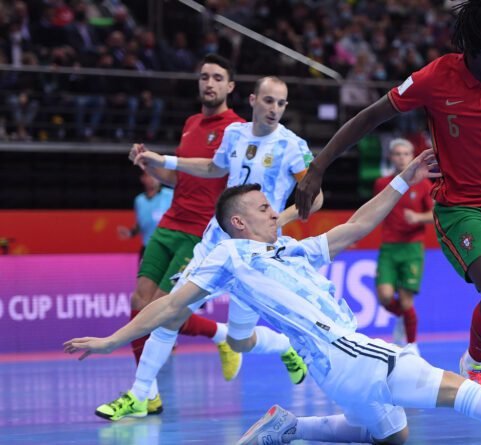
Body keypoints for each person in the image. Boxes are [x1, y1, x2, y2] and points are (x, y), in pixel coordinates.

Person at [64, 150, 481, 445]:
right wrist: (114, 339)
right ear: (238, 222)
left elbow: (354, 227)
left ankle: (292, 428)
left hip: (334, 371)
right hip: (352, 353)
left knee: (392, 437)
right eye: (262, 208)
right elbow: (169, 306)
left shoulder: (289, 250)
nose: (272, 211)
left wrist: (403, 179)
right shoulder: (227, 257)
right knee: (460, 394)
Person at [295, 0, 481, 407]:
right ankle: (473, 360)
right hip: (463, 208)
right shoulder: (436, 77)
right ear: (470, 48)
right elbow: (370, 117)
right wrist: (318, 167)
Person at [94, 75, 321, 421]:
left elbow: (315, 197)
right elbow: (214, 167)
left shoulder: (293, 145)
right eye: (269, 101)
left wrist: (278, 220)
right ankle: (140, 395)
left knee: (241, 341)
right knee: (170, 313)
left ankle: (284, 346)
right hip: (215, 243)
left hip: (255, 254)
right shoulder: (235, 134)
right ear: (253, 100)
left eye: (281, 103)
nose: (275, 109)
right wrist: (164, 161)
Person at [100, 53, 244, 421]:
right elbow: (180, 178)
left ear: (230, 86)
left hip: (199, 233)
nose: (208, 83)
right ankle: (147, 395)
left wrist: (165, 159)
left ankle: (223, 336)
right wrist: (150, 164)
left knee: (164, 311)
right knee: (139, 301)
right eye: (203, 77)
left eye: (216, 77)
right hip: (169, 224)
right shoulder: (191, 123)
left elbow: (215, 172)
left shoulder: (237, 129)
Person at [373, 138, 433, 351]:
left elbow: (436, 214)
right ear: (391, 157)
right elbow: (374, 212)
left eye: (405, 154)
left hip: (412, 248)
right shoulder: (382, 184)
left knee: (407, 300)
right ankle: (403, 319)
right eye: (397, 154)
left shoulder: (423, 185)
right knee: (385, 297)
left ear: (412, 157)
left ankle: (411, 345)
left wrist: (417, 218)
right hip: (389, 247)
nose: (401, 158)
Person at [117, 171, 173, 262]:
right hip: (147, 247)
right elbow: (141, 224)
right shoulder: (139, 200)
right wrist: (130, 233)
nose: (152, 179)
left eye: (155, 175)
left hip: (167, 247)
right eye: (149, 176)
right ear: (143, 179)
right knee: (143, 275)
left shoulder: (170, 195)